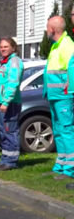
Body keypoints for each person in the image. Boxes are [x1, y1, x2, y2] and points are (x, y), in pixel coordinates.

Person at [42, 17, 74, 183]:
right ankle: (61, 166)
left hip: (64, 97)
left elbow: (72, 69)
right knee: (59, 131)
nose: (46, 30)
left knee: (67, 131)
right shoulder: (57, 45)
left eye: (47, 27)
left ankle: (70, 169)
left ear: (52, 29)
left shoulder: (67, 45)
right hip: (56, 97)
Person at [0, 38, 23, 171]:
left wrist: (5, 102)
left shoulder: (15, 62)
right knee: (4, 132)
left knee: (10, 132)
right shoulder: (4, 63)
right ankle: (5, 159)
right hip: (1, 103)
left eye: (6, 46)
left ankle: (11, 161)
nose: (3, 49)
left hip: (10, 103)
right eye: (1, 47)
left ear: (13, 48)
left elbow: (13, 83)